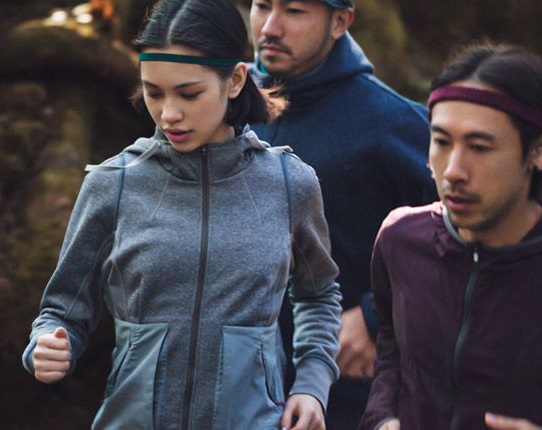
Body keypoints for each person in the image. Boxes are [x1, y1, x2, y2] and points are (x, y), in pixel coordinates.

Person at [21, 1, 343, 429]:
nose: (168, 114)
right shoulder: (113, 183)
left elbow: (318, 295)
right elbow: (61, 311)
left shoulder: (289, 183)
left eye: (188, 94)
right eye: (154, 93)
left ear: (235, 80)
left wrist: (311, 384)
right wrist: (46, 344)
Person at [361, 43, 542, 430]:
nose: (453, 171)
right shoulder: (400, 239)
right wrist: (383, 418)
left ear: (540, 151)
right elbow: (392, 349)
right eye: (441, 142)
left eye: (479, 147)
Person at [248, 1, 436, 427]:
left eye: (294, 11)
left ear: (340, 22)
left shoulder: (396, 124)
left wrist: (377, 318)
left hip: (348, 395)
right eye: (261, 5)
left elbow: (458, 241)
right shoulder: (221, 102)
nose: (270, 27)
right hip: (234, 393)